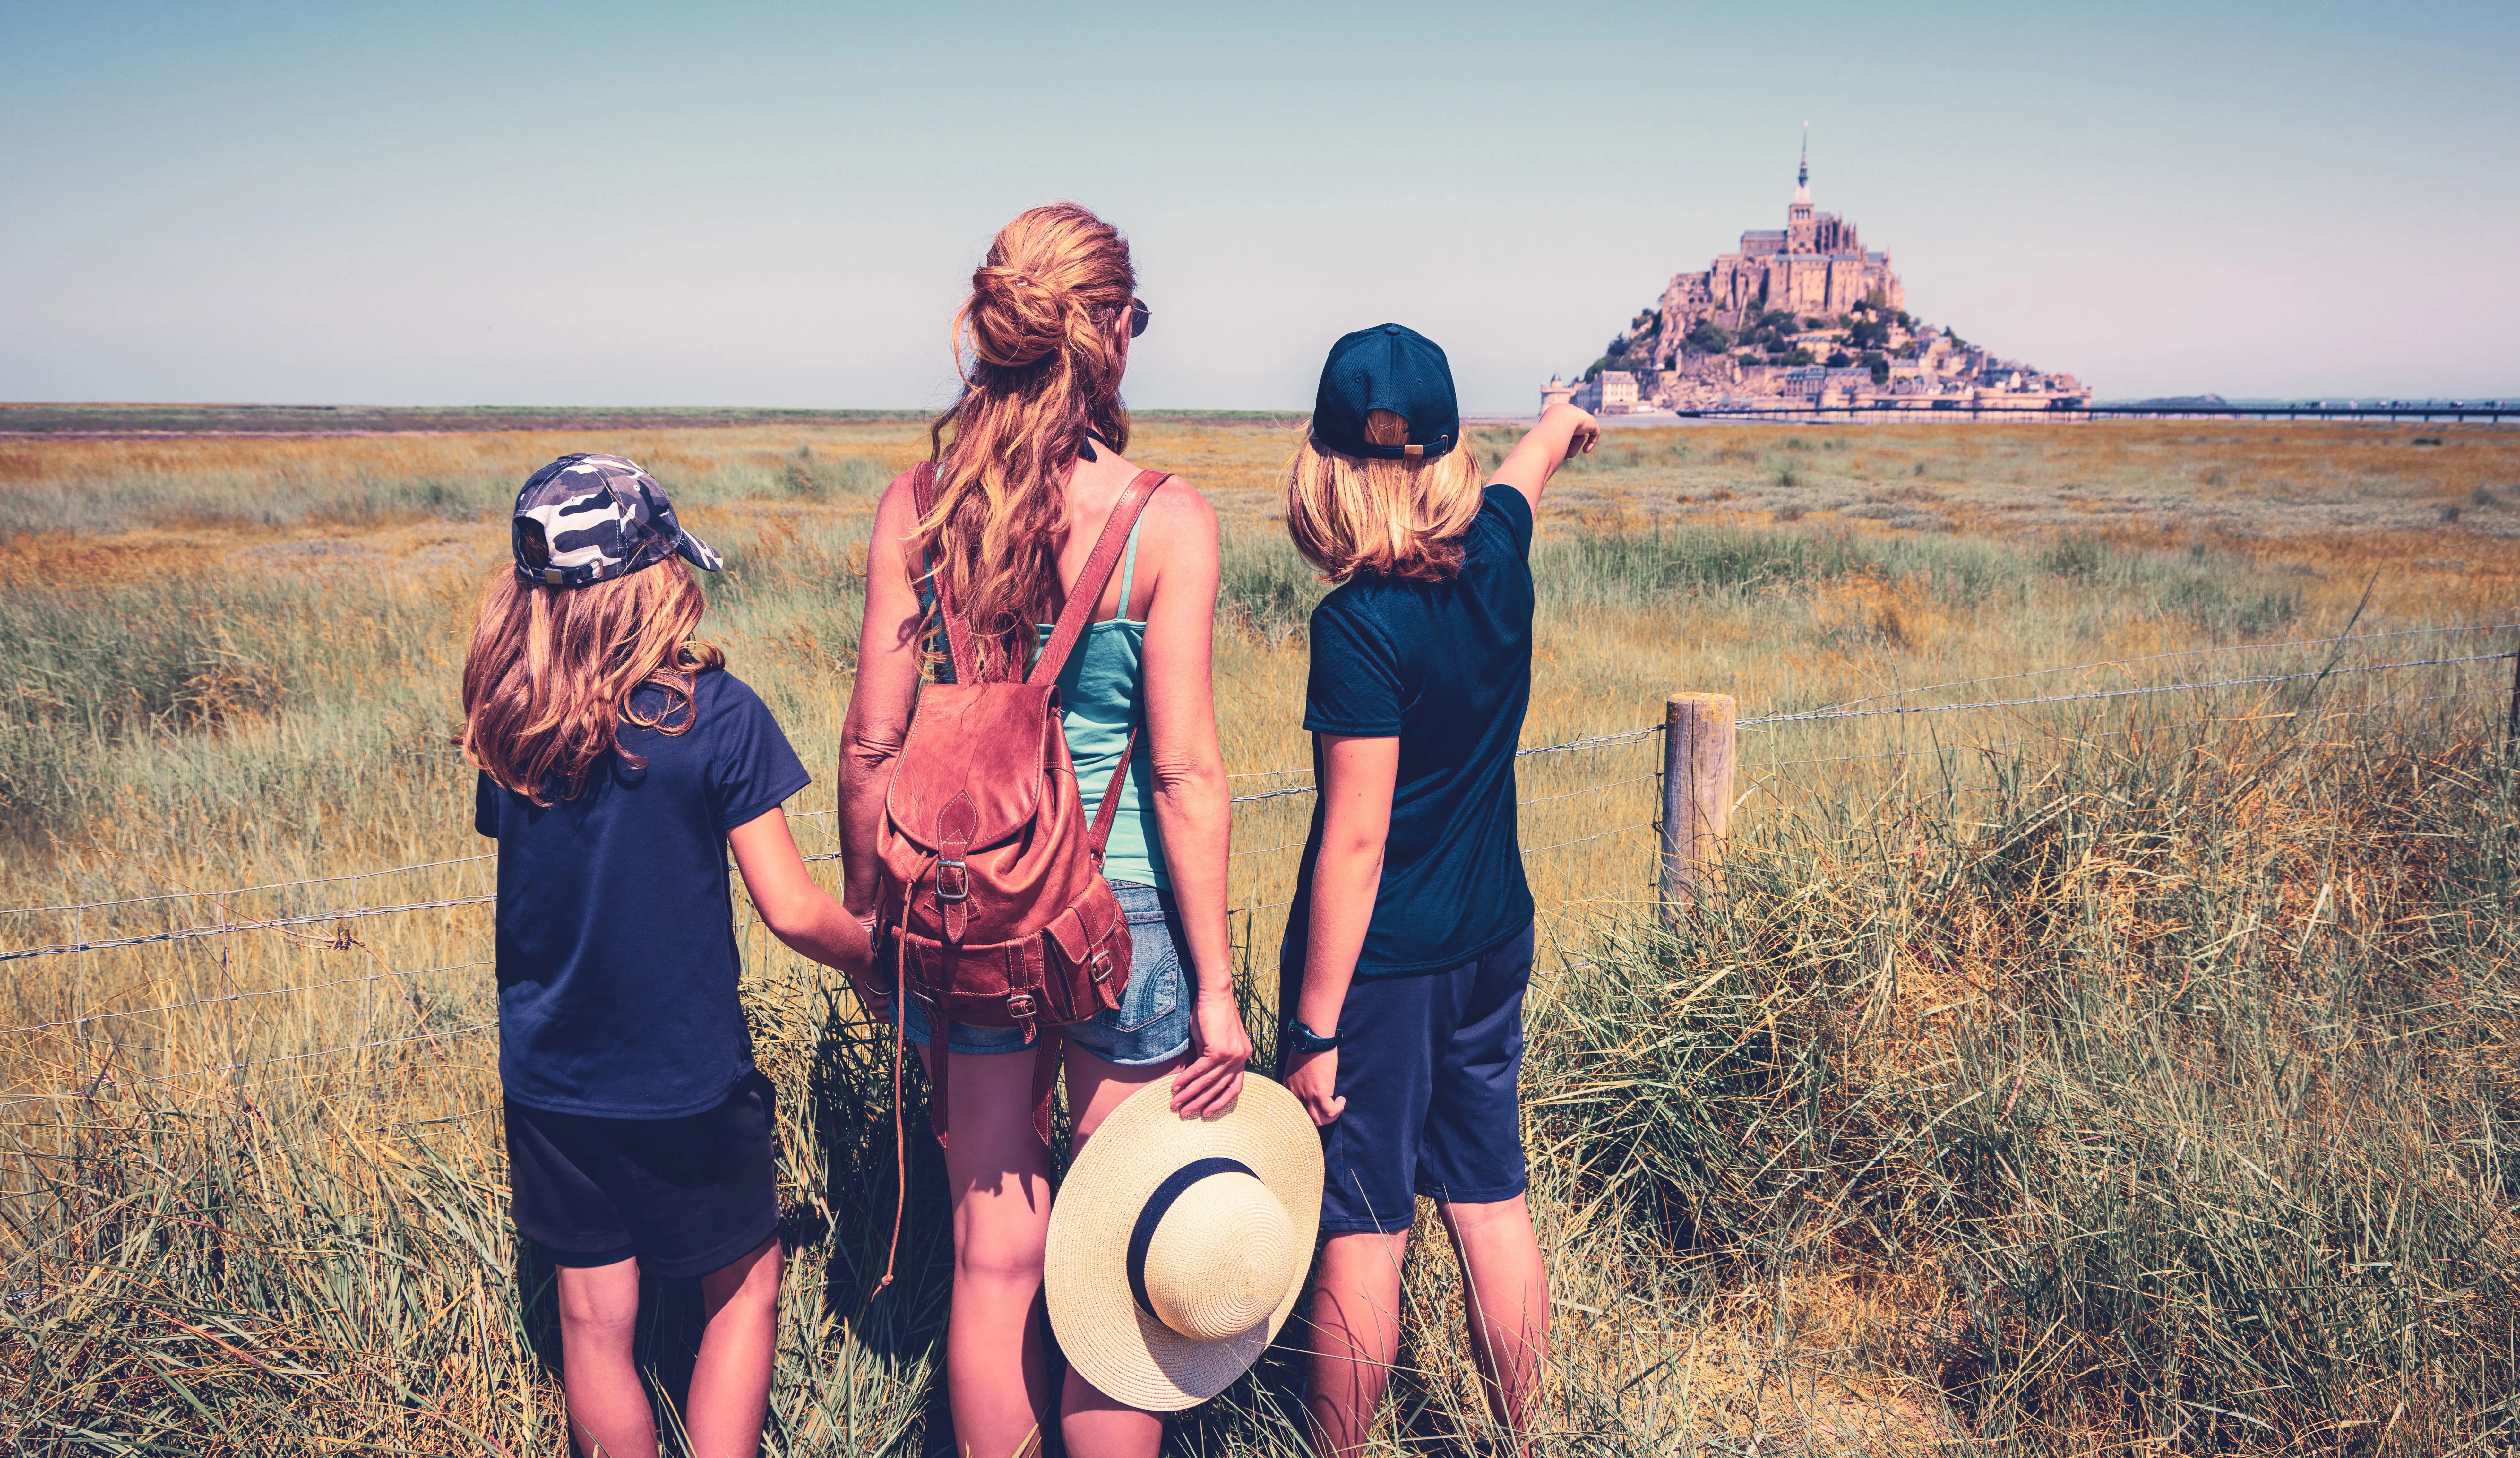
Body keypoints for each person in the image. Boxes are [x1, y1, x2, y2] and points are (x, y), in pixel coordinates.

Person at [836, 203, 1253, 1458]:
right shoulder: (1162, 520)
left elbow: (870, 741)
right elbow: (1181, 773)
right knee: (1121, 1254)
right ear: (1108, 332)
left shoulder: (918, 504)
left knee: (995, 1253)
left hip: (966, 909)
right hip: (1120, 919)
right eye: (1135, 316)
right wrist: (1222, 991)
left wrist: (875, 928)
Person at [464, 453, 872, 1458]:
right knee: (743, 1292)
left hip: (551, 1078)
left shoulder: (512, 722)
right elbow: (788, 906)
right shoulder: (713, 714)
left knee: (594, 1325)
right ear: (656, 581)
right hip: (687, 1078)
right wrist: (879, 950)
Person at [1273, 325, 1597, 1457]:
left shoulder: (1355, 626)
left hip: (1386, 971)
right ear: (1450, 455)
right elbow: (1522, 482)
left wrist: (1313, 1025)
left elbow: (1354, 844)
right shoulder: (1496, 559)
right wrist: (1559, 422)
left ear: (1323, 472)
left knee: (1362, 1227)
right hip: (1491, 936)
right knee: (1489, 1202)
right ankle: (1521, 1441)